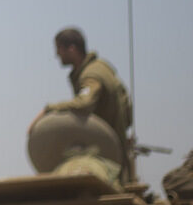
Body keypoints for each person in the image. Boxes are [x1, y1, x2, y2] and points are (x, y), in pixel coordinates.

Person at [42, 26, 133, 179]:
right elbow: (127, 109)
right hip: (115, 154)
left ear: (71, 49)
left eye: (59, 49)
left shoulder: (91, 75)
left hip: (107, 161)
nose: (57, 54)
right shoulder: (101, 68)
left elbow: (84, 103)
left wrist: (49, 110)